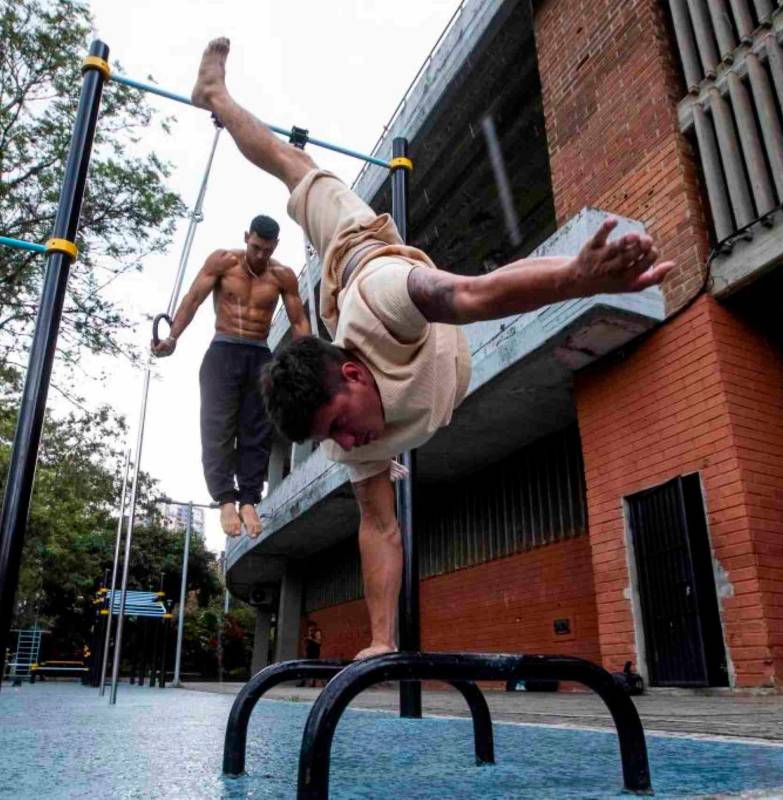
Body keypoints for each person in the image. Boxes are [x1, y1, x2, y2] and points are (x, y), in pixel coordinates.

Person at [191, 38, 675, 658]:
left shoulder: (385, 300)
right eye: (333, 437)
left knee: (292, 164)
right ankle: (215, 101)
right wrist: (382, 641)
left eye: (342, 423)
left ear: (355, 375)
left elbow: (475, 296)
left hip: (354, 249)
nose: (349, 440)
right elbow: (379, 525)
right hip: (351, 325)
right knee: (371, 494)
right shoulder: (350, 444)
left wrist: (578, 280)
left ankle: (217, 98)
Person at [151, 214, 310, 538]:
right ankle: (225, 498)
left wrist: (310, 361)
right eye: (255, 247)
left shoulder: (282, 276)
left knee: (257, 429)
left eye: (266, 250)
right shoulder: (223, 262)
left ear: (275, 246)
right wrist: (172, 338)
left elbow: (298, 322)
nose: (260, 255)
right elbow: (193, 298)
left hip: (259, 353)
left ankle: (249, 498)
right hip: (223, 350)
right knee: (217, 426)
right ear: (246, 237)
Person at [297, 621, 323, 687]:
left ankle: (313, 682)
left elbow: (319, 643)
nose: (310, 629)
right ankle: (304, 682)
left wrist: (311, 639)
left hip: (315, 653)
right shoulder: (309, 633)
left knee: (314, 667)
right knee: (306, 667)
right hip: (309, 653)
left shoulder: (317, 633)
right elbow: (305, 643)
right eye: (309, 628)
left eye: (311, 628)